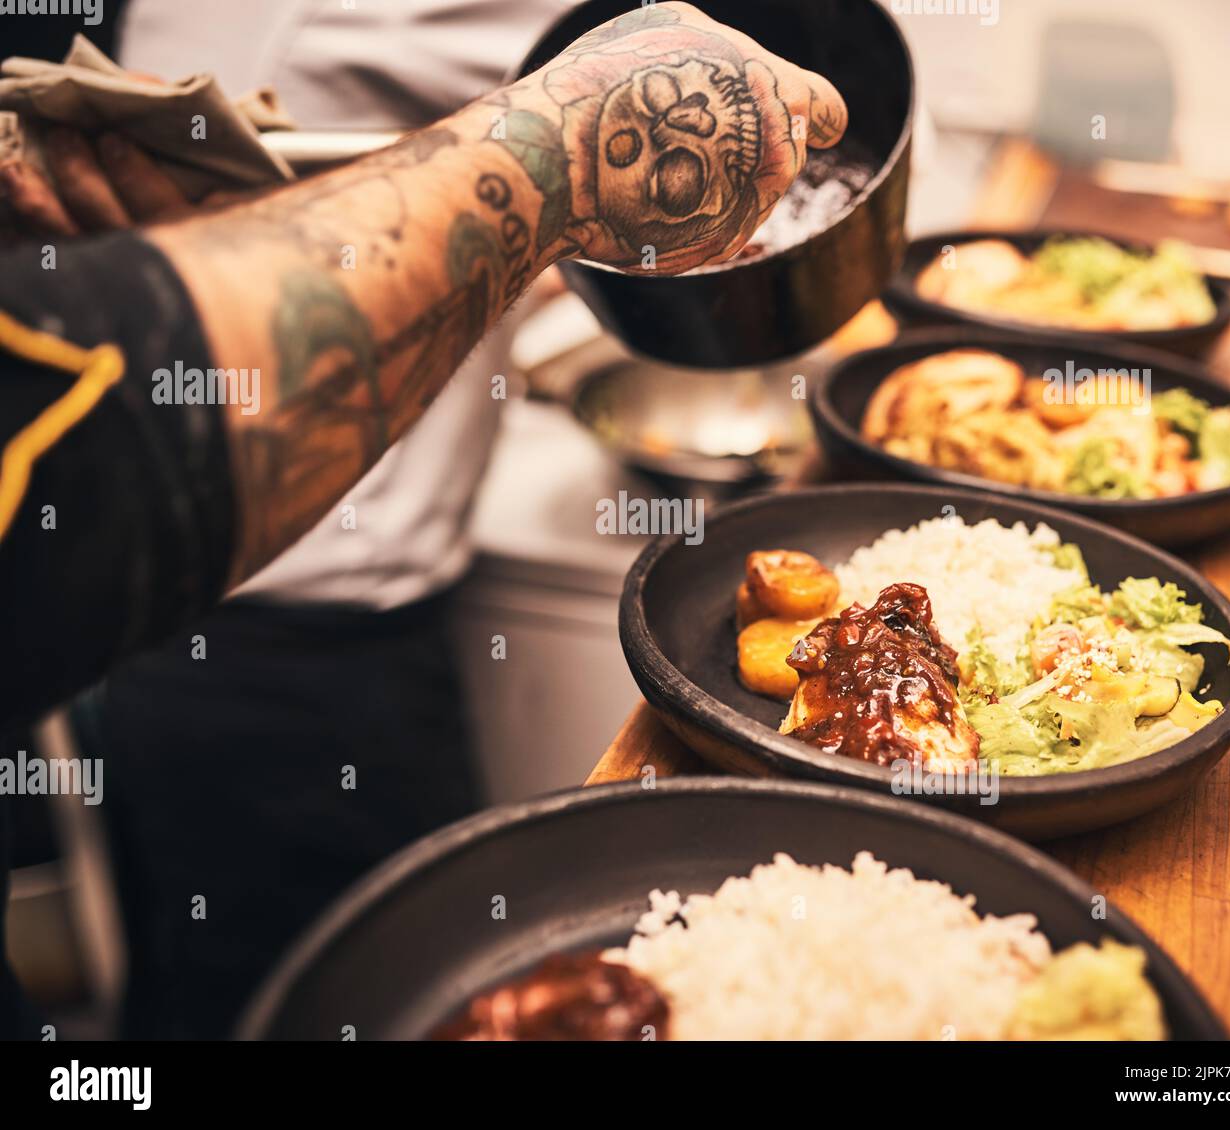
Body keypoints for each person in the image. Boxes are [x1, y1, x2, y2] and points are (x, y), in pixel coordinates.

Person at [0, 2, 848, 1037]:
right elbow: (132, 401)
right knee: (336, 994)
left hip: (219, 598)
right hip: (275, 625)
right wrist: (572, 152)